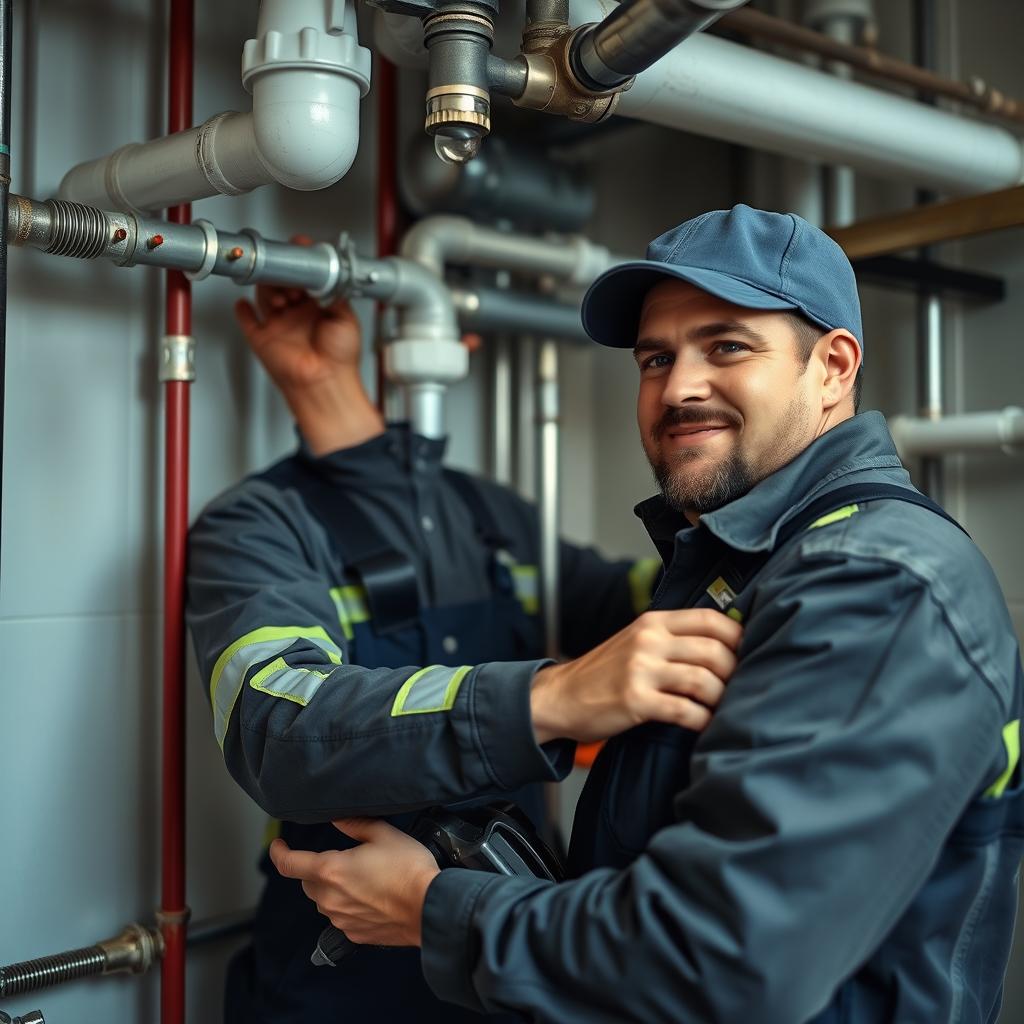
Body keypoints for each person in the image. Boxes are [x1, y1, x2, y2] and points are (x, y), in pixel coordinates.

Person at [271, 205, 1024, 1023]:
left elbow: (721, 962)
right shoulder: (742, 562)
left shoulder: (873, 586)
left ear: (833, 367)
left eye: (727, 346)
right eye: (655, 358)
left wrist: (434, 910)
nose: (680, 388)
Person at [186, 258, 743, 1023]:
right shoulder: (256, 527)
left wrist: (758, 540)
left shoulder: (488, 516)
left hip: (512, 960)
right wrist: (547, 699)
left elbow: (633, 607)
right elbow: (276, 728)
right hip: (342, 978)